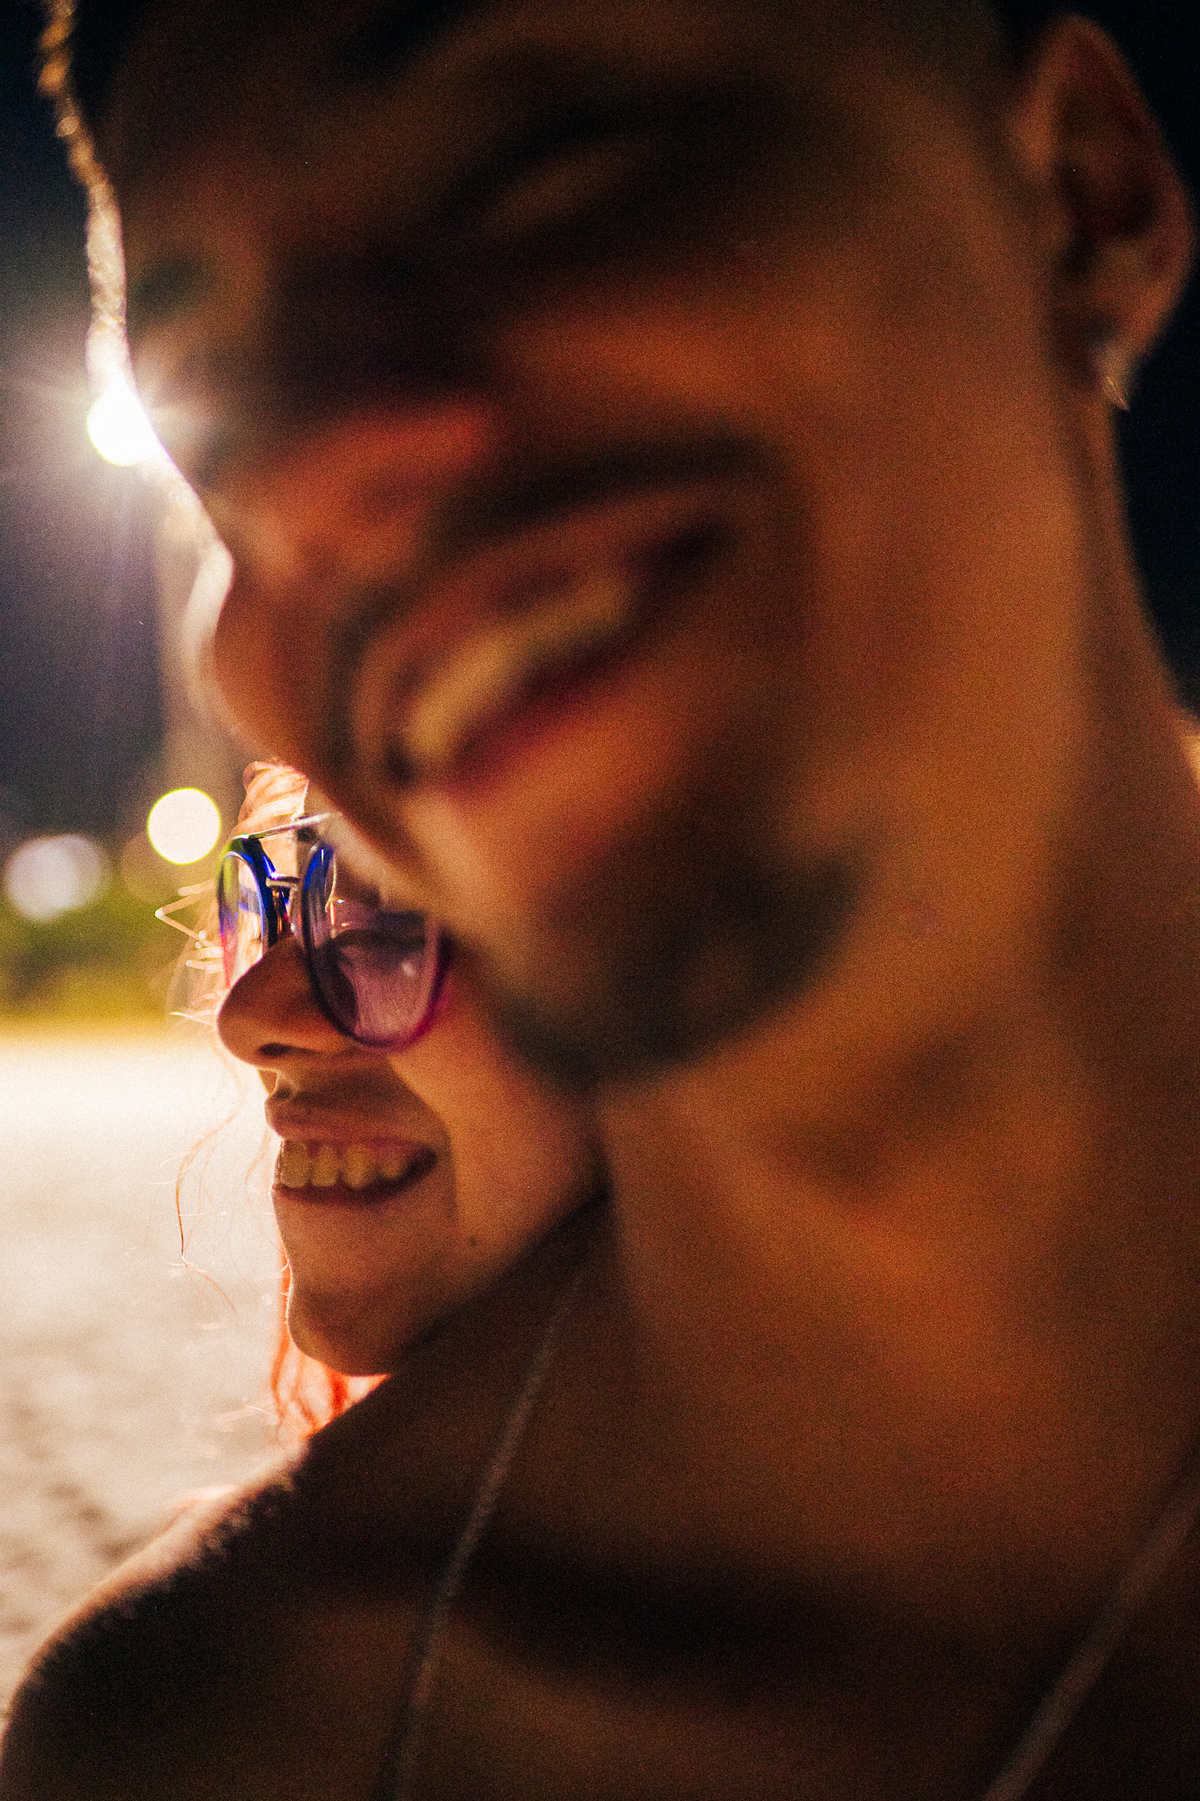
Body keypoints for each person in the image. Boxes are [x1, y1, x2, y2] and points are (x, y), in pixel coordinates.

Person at [6, 0, 1200, 1796]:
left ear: (1082, 189)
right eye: (225, 418)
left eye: (527, 172)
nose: (329, 480)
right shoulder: (219, 1740)